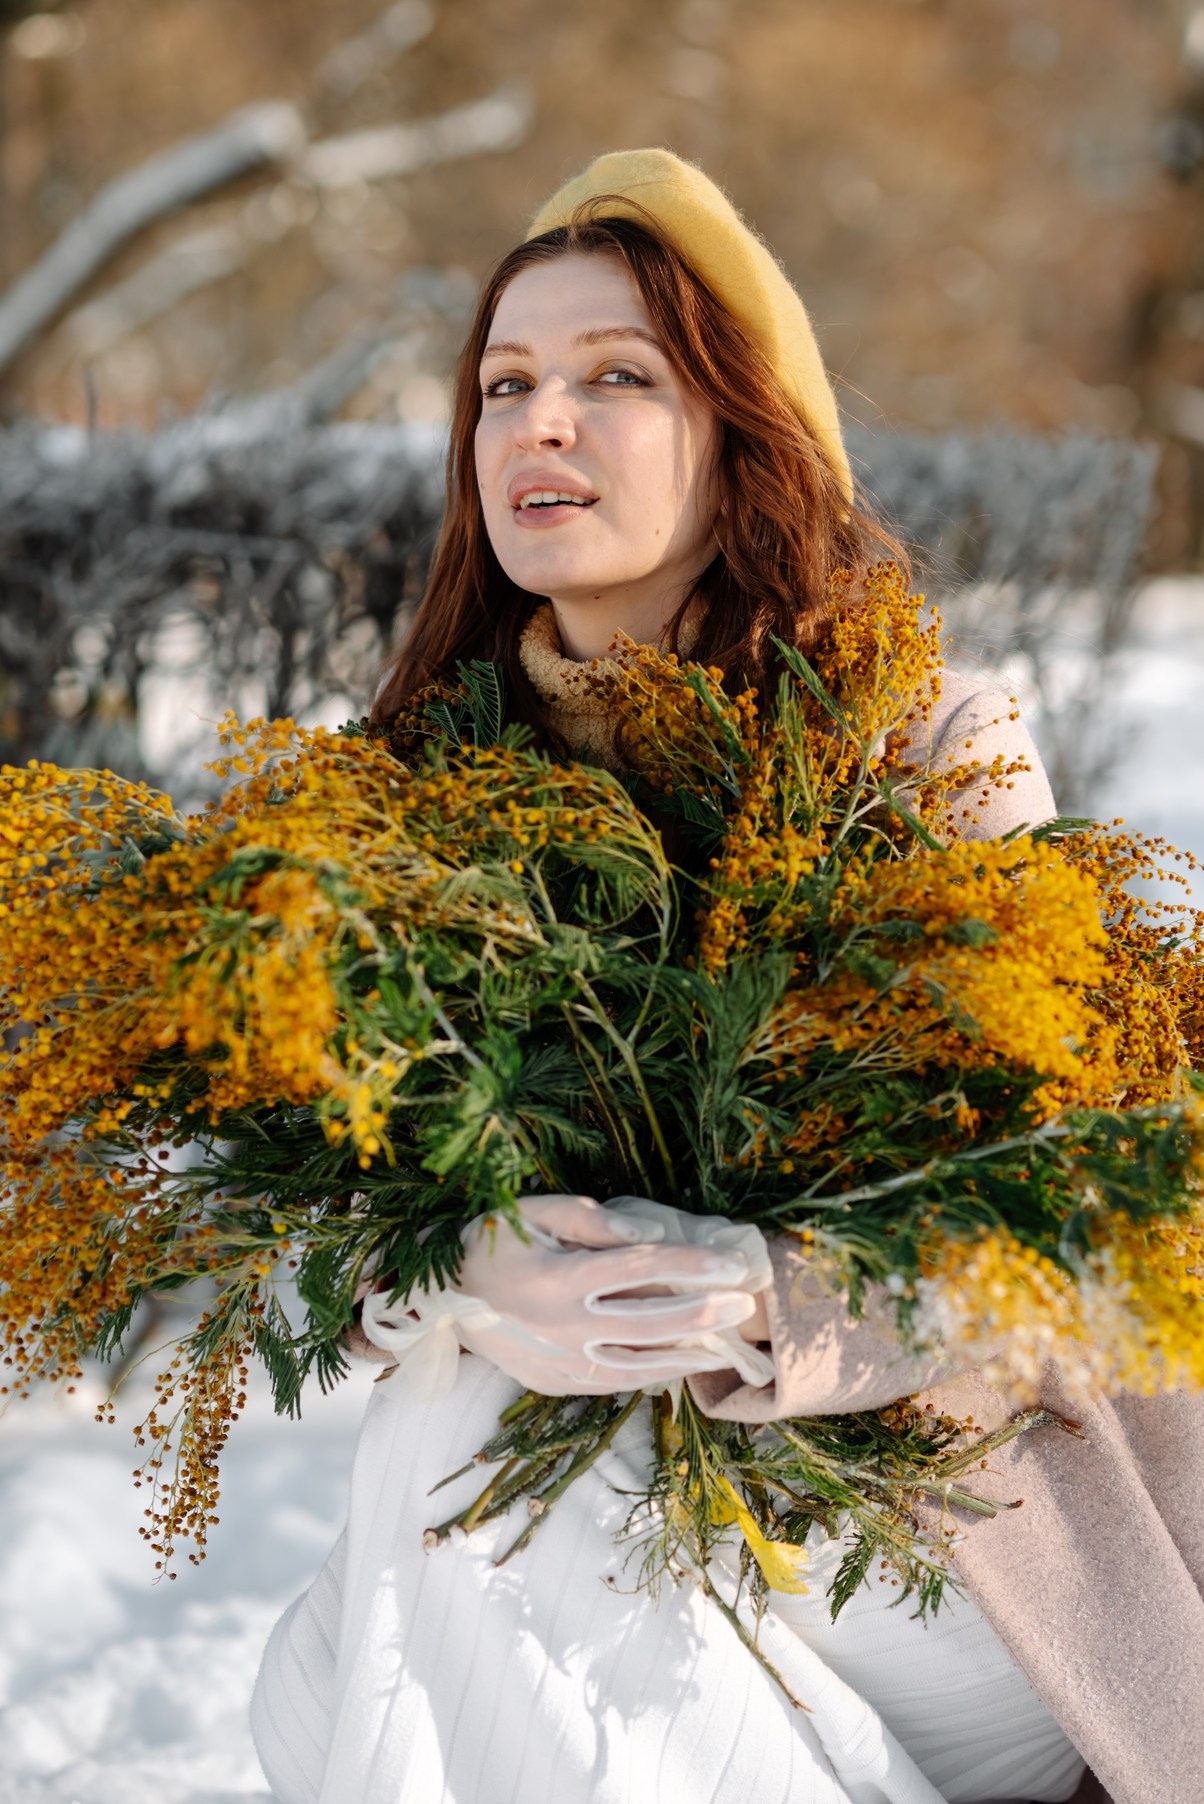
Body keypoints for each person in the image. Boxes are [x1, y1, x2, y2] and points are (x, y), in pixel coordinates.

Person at [249, 151, 1203, 1804]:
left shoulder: (922, 747)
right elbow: (288, 1235)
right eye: (505, 383)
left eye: (617, 377)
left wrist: (766, 1309)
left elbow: (1077, 1214)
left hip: (961, 1549)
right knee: (400, 1561)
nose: (540, 422)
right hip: (620, 1535)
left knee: (436, 1555)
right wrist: (465, 1274)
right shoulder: (398, 798)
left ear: (745, 437)